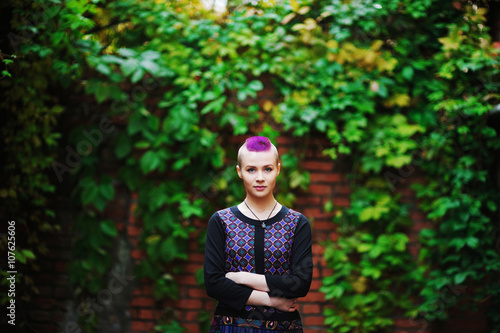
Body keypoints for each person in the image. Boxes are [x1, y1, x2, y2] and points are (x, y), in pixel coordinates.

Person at [204, 136, 313, 333]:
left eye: (268, 169)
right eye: (251, 169)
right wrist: (270, 300)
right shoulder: (221, 221)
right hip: (230, 327)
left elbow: (300, 282)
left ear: (278, 169)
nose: (260, 177)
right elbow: (213, 283)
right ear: (240, 172)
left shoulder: (297, 223)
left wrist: (242, 277)